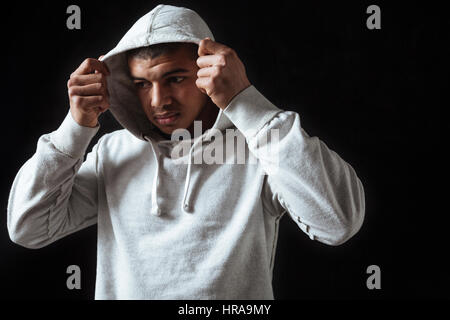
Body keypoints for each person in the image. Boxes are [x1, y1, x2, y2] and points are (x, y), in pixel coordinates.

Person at [7, 4, 365, 299]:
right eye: (141, 85)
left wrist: (247, 104)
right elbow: (28, 227)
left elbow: (338, 222)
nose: (159, 100)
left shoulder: (258, 149)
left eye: (175, 78)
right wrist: (75, 128)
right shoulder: (112, 153)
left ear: (208, 70)